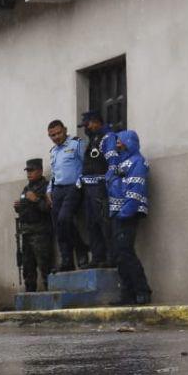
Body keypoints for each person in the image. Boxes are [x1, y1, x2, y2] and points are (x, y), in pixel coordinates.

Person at [106, 130, 152, 305]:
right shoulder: (121, 163)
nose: (117, 144)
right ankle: (127, 294)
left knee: (126, 252)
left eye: (120, 141)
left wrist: (126, 211)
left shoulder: (137, 162)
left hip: (127, 213)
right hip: (117, 213)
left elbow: (135, 188)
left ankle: (142, 291)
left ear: (128, 142)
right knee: (120, 255)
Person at [46, 119, 88, 272]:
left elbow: (86, 165)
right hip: (58, 190)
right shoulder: (53, 151)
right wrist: (49, 190)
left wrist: (79, 182)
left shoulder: (76, 144)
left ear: (65, 129)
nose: (56, 137)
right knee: (58, 226)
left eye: (58, 133)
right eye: (52, 135)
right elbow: (54, 173)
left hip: (74, 187)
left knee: (64, 219)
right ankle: (67, 260)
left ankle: (81, 249)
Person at [79, 110, 118, 267]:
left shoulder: (107, 137)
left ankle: (111, 257)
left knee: (104, 222)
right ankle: (97, 257)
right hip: (88, 188)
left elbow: (113, 162)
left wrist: (108, 181)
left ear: (96, 122)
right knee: (91, 224)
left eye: (87, 125)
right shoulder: (93, 139)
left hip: (100, 187)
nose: (85, 128)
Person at [14, 158, 54, 292]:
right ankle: (29, 292)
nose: (29, 174)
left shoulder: (46, 187)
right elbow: (25, 208)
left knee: (45, 264)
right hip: (26, 231)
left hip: (41, 231)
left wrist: (36, 199)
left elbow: (48, 208)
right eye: (28, 171)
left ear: (40, 170)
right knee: (28, 265)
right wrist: (18, 207)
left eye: (32, 170)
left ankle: (50, 290)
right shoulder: (27, 188)